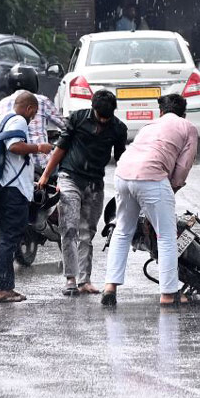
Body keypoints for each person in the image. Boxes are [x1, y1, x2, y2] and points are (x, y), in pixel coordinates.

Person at [101, 93, 198, 307]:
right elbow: (183, 166)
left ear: (161, 112)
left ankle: (110, 286)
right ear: (184, 113)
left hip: (123, 174)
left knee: (122, 230)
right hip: (152, 177)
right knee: (165, 235)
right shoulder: (187, 127)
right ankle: (168, 293)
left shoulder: (148, 127)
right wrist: (172, 188)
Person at [37, 90, 127, 295]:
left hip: (95, 184)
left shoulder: (118, 128)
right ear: (93, 108)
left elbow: (121, 158)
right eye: (100, 116)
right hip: (70, 178)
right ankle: (70, 278)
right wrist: (45, 175)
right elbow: (61, 147)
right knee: (69, 227)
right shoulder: (77, 119)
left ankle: (84, 280)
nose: (103, 121)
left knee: (87, 232)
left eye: (108, 117)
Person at [0, 91, 54, 303]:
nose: (33, 118)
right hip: (12, 191)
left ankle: (4, 287)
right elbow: (14, 147)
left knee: (6, 239)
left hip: (3, 188)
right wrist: (39, 147)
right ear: (29, 109)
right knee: (9, 240)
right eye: (33, 114)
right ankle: (0, 288)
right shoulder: (18, 121)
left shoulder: (2, 120)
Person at [0, 65, 64, 170]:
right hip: (40, 165)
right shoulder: (41, 101)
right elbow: (66, 126)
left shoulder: (2, 103)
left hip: (9, 166)